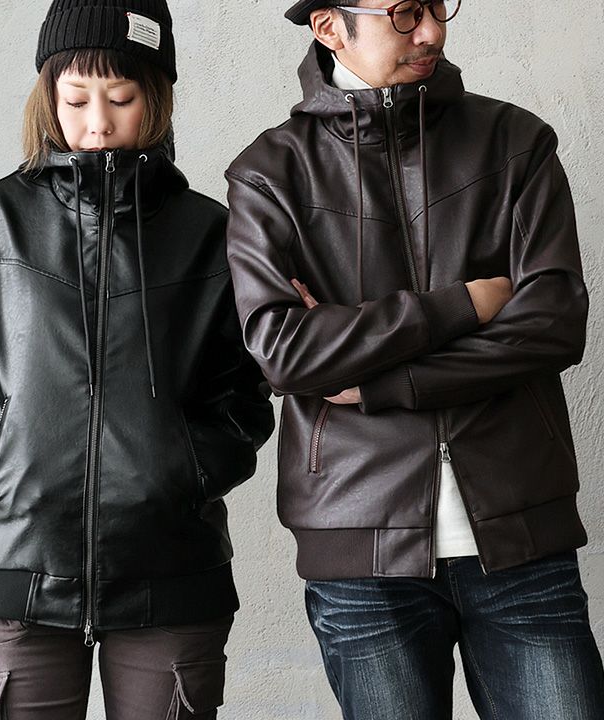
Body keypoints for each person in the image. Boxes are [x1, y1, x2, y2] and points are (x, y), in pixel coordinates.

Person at [0, 1, 274, 718]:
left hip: (172, 571)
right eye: (75, 100)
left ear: (155, 98)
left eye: (121, 99)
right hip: (17, 568)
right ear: (48, 98)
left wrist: (187, 467)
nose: (97, 123)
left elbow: (247, 387)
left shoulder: (209, 234)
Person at [225, 1, 604, 718]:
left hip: (522, 534)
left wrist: (383, 381)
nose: (431, 30)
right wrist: (464, 305)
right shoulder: (270, 173)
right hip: (359, 550)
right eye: (403, 12)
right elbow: (286, 352)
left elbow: (554, 325)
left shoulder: (515, 142)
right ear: (329, 26)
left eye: (436, 6)